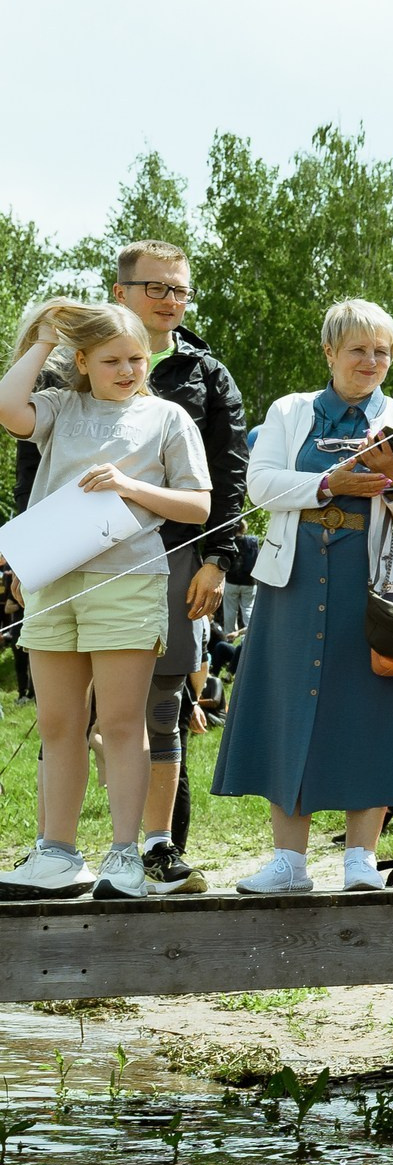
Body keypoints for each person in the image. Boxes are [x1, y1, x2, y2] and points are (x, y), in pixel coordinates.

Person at [27, 242, 249, 894]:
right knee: (64, 717)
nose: (171, 301)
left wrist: (219, 558)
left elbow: (226, 478)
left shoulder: (204, 376)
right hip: (62, 559)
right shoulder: (66, 385)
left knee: (159, 709)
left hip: (168, 560)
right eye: (157, 288)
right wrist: (24, 552)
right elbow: (32, 468)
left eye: (180, 290)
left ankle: (152, 851)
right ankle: (57, 848)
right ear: (120, 292)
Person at [213, 299, 393, 895]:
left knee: (372, 716)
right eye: (359, 350)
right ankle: (288, 863)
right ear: (330, 353)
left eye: (382, 352)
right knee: (289, 711)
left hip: (377, 588)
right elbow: (258, 485)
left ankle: (360, 860)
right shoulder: (290, 411)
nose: (371, 362)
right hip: (294, 580)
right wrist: (326, 484)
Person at [0, 302, 211, 900]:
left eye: (138, 359)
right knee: (58, 723)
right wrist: (41, 341)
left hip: (127, 581)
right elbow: (7, 409)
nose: (127, 370)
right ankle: (57, 856)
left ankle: (125, 858)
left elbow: (198, 505)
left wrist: (128, 485)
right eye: (112, 360)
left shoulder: (168, 418)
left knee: (120, 724)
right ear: (83, 362)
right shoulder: (61, 407)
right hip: (51, 578)